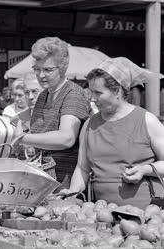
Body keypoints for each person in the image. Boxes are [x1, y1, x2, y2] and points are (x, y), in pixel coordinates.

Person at [61, 57, 164, 209]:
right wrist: (72, 193)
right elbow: (82, 168)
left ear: (117, 91)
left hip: (148, 214)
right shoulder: (90, 124)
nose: (92, 99)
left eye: (98, 93)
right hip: (103, 215)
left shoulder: (147, 120)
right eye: (91, 92)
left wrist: (144, 170)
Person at [14, 37, 90, 187]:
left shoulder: (73, 94)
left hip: (65, 184)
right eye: (37, 69)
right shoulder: (44, 95)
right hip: (42, 180)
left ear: (62, 68)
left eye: (47, 70)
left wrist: (22, 138)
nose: (41, 75)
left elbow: (66, 138)